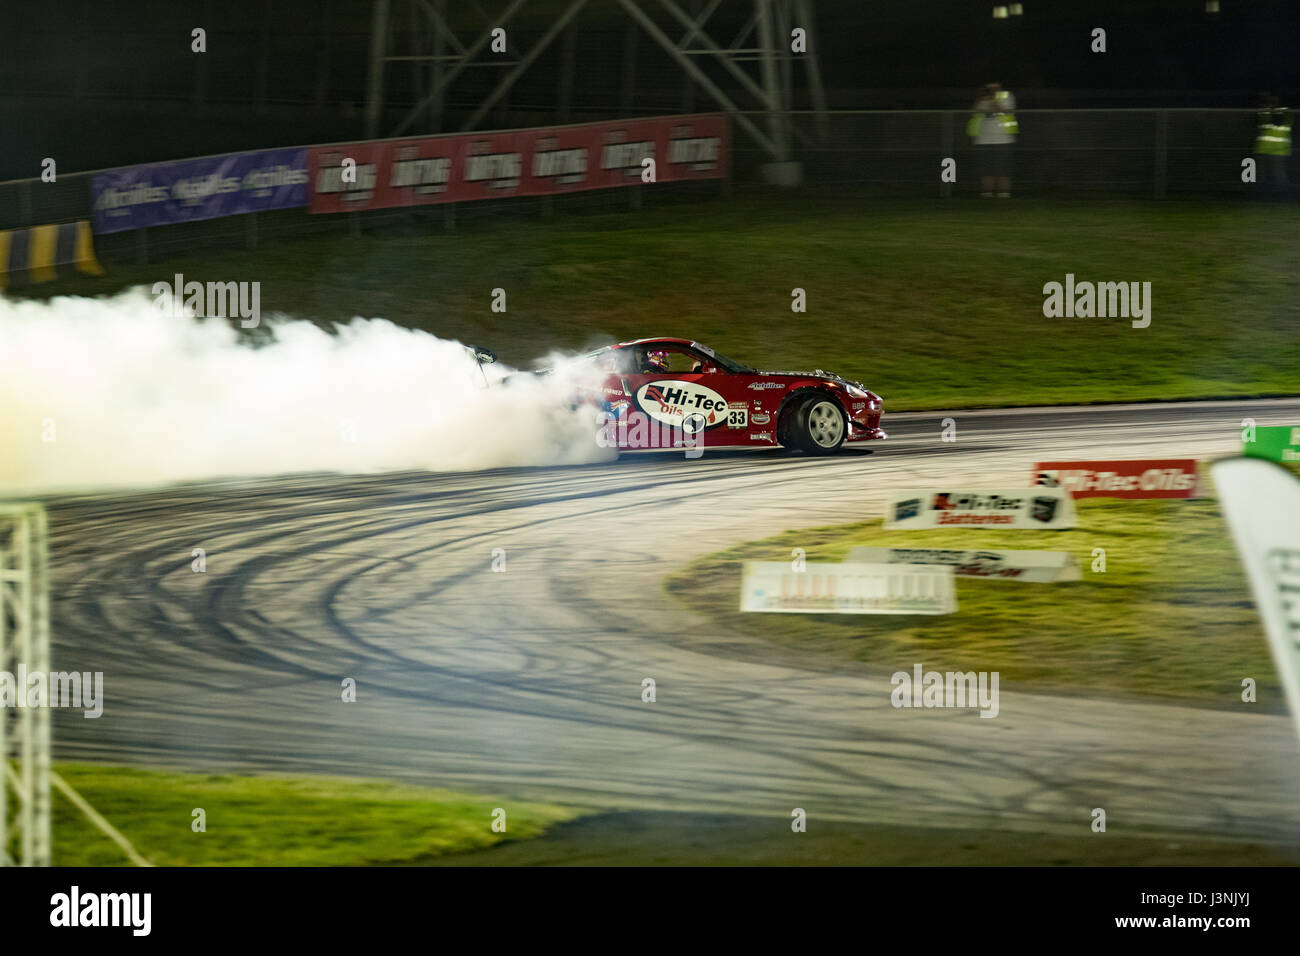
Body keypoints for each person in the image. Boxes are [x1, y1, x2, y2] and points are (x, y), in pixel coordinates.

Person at [967, 82, 1019, 198]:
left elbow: (1000, 110)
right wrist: (981, 98)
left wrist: (995, 96)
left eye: (993, 87)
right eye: (988, 87)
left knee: (1003, 169)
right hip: (983, 139)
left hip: (1003, 139)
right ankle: (987, 193)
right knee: (985, 169)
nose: (990, 89)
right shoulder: (982, 99)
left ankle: (1004, 193)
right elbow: (973, 112)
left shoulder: (1007, 96)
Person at [1254, 94, 1291, 201]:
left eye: (1273, 100)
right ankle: (1261, 196)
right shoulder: (1263, 111)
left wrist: (1272, 110)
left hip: (1279, 149)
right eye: (1268, 100)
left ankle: (1282, 197)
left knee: (1278, 175)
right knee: (1260, 174)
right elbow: (1258, 123)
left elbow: (1278, 122)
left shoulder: (1285, 111)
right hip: (1263, 148)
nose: (1271, 102)